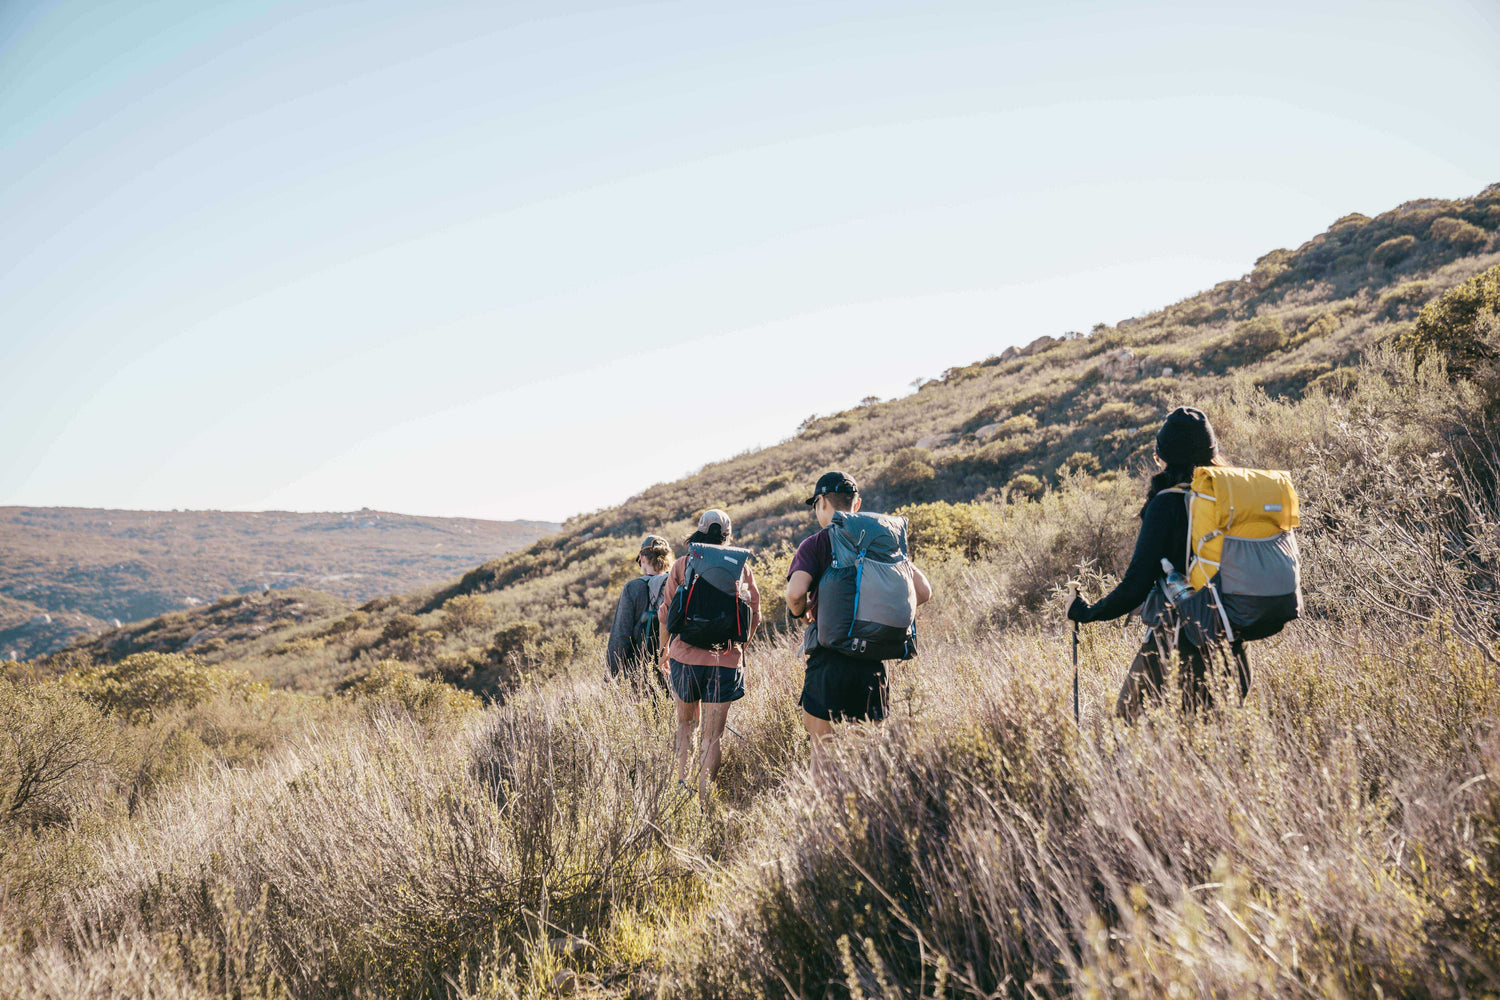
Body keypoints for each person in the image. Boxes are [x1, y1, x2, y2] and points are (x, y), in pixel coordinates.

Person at [1066, 406, 1250, 720]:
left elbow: (1135, 587)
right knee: (1219, 738)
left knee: (1128, 726)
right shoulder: (1230, 498)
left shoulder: (1167, 503)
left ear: (1164, 458)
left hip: (1181, 641)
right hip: (1234, 642)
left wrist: (1087, 612)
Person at [785, 471, 932, 758]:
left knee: (822, 755)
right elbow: (924, 591)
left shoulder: (816, 543)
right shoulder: (882, 542)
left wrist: (800, 613)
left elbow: (795, 593)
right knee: (865, 759)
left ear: (821, 502)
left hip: (829, 661)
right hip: (872, 662)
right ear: (857, 503)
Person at [657, 509, 760, 795]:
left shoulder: (683, 564)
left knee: (685, 725)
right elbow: (755, 615)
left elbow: (665, 614)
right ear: (727, 536)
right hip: (725, 661)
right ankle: (705, 798)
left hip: (684, 658)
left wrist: (664, 650)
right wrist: (739, 648)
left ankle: (682, 787)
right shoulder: (741, 568)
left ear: (700, 531)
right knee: (712, 737)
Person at [604, 534, 673, 694]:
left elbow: (621, 635)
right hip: (675, 669)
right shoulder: (679, 585)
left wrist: (610, 675)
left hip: (640, 672)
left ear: (642, 558)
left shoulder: (633, 588)